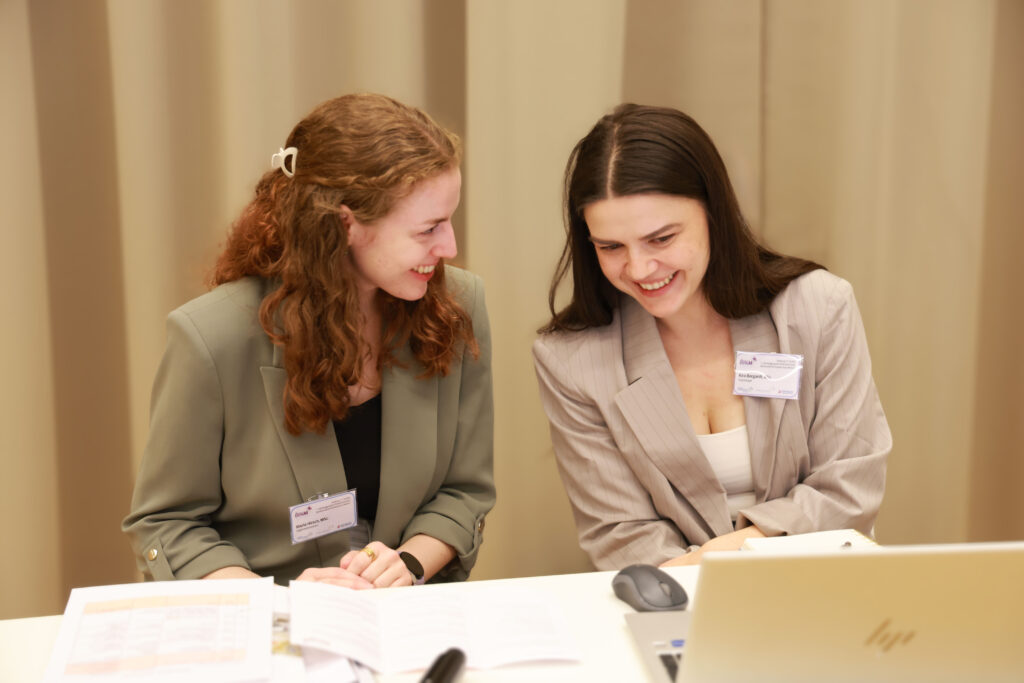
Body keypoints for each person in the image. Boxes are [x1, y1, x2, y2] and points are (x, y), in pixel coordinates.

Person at [123, 93, 494, 589]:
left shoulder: (458, 305)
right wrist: (275, 603)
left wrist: (406, 565)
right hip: (269, 618)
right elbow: (167, 524)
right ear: (345, 223)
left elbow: (465, 491)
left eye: (449, 220)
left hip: (407, 609)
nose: (449, 247)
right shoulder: (211, 337)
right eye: (428, 229)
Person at [533, 103, 890, 570]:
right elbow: (620, 532)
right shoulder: (570, 360)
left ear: (712, 210)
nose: (639, 269)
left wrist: (727, 555)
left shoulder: (818, 308)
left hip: (820, 582)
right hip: (672, 596)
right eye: (611, 246)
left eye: (661, 239)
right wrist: (701, 581)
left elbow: (849, 489)